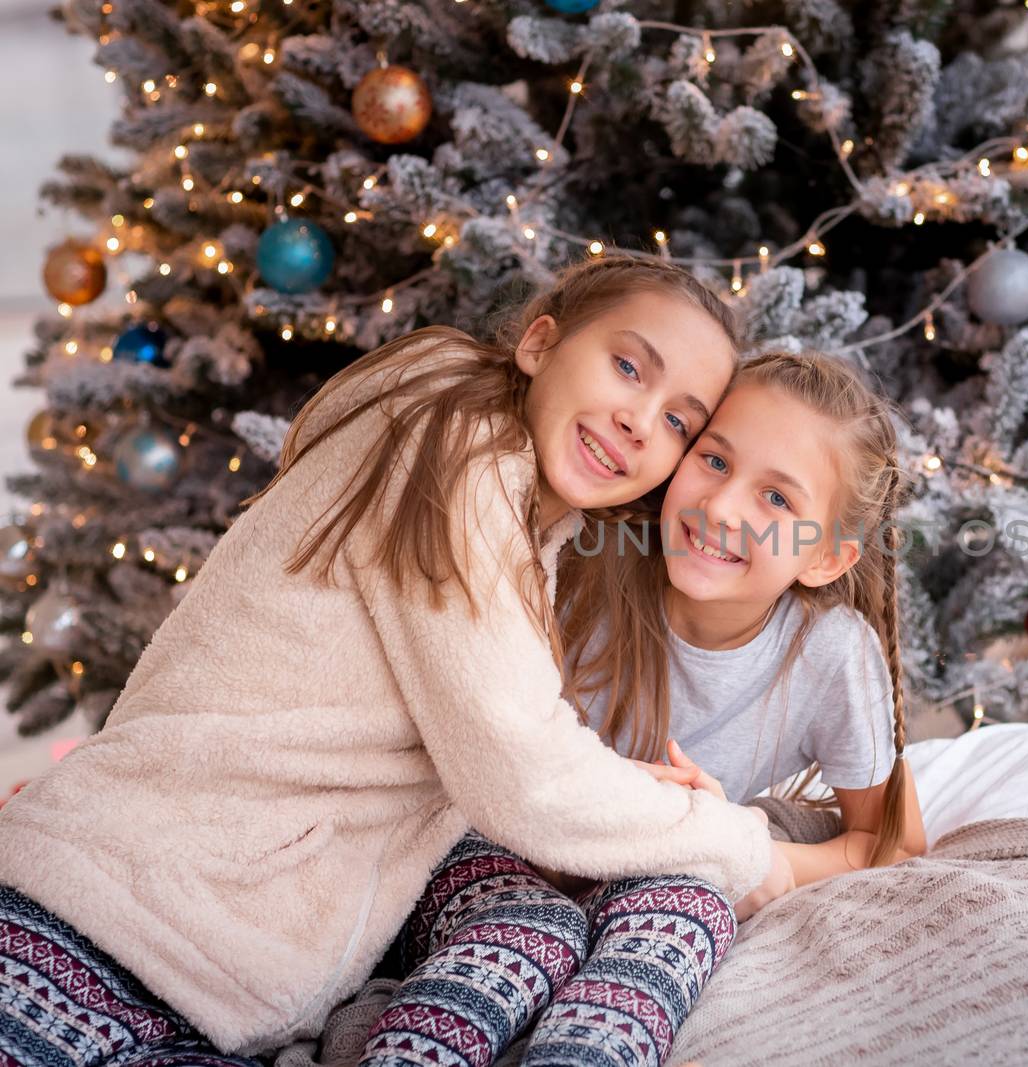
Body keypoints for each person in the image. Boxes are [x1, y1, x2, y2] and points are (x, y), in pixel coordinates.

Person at [0, 258, 784, 1066]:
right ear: (540, 342)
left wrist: (629, 802)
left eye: (679, 423)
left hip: (206, 983)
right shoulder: (452, 450)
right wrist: (753, 848)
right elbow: (525, 774)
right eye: (628, 366)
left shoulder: (522, 517)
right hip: (94, 920)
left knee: (540, 926)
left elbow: (502, 745)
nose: (639, 421)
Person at [358, 349, 926, 1067]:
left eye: (777, 499)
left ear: (825, 557)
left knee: (693, 905)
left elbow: (893, 841)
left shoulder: (831, 655)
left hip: (665, 858)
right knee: (530, 926)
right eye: (714, 461)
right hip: (494, 841)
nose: (721, 506)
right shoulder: (581, 567)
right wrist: (595, 818)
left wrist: (748, 850)